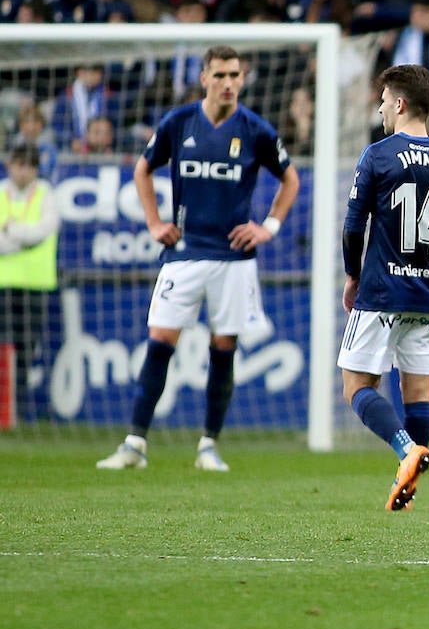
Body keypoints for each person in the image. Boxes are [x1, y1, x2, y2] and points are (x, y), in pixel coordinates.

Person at [97, 46, 300, 472]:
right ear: (205, 77)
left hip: (234, 258)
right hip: (184, 255)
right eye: (221, 74)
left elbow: (290, 179)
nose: (229, 83)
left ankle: (209, 445)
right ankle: (135, 443)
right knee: (159, 342)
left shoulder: (256, 129)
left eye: (236, 75)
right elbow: (142, 169)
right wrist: (154, 223)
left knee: (223, 348)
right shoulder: (179, 122)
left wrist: (269, 226)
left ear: (242, 80)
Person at [340, 65, 429, 511]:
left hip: (382, 290)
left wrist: (352, 276)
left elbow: (352, 227)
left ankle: (406, 451)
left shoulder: (378, 156)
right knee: (418, 394)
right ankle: (409, 481)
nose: (379, 107)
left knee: (357, 386)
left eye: (383, 99)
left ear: (400, 104)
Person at [0, 145, 59, 418]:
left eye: (28, 166)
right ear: (10, 165)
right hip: (3, 283)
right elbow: (32, 235)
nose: (22, 171)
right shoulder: (1, 192)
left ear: (35, 169)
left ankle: (15, 409)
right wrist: (21, 240)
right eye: (18, 164)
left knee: (26, 347)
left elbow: (45, 230)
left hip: (36, 284)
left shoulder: (47, 194)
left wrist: (12, 231)